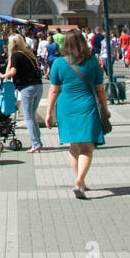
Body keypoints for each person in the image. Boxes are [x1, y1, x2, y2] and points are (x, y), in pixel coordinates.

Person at [46, 28, 108, 200]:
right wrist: (105, 107)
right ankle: (80, 179)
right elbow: (100, 89)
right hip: (87, 105)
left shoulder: (58, 63)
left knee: (73, 147)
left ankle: (79, 181)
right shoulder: (92, 62)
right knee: (87, 147)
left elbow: (53, 90)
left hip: (66, 107)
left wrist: (49, 113)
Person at [2, 33, 43, 151]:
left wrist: (3, 75)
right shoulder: (28, 54)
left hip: (27, 87)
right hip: (38, 86)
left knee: (28, 116)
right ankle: (37, 141)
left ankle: (36, 143)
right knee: (32, 115)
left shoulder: (16, 55)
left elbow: (13, 71)